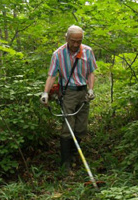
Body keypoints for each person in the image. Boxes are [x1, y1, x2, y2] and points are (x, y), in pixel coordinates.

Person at [40, 25, 97, 169]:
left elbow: (91, 72)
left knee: (81, 126)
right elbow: (52, 75)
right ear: (66, 38)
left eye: (79, 41)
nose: (76, 44)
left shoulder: (88, 51)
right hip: (68, 93)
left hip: (83, 91)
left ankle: (74, 155)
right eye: (73, 41)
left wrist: (91, 90)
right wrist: (46, 92)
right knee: (68, 127)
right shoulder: (58, 54)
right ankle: (65, 162)